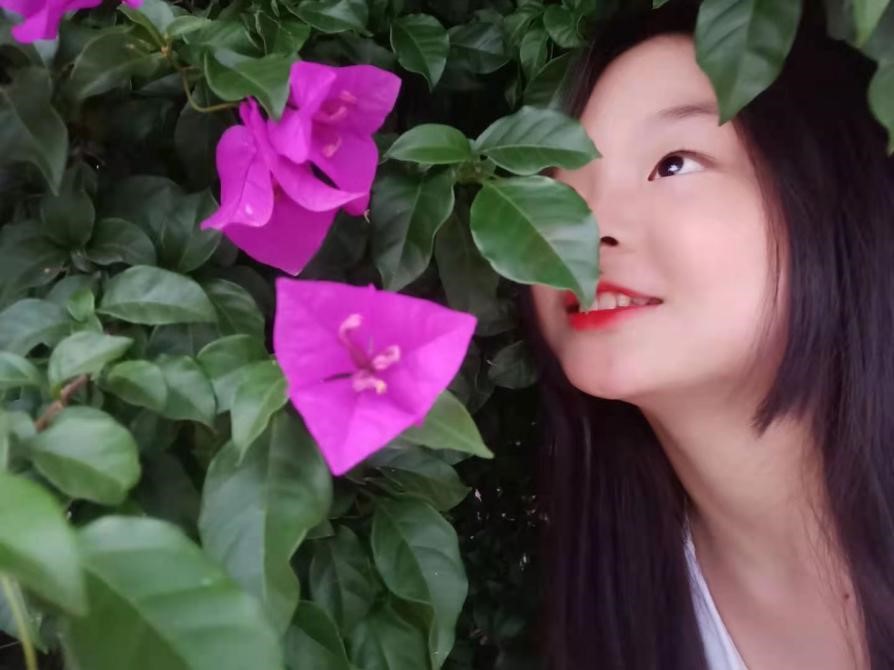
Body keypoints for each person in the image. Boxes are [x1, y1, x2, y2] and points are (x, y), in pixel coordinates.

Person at [519, 2, 894, 668]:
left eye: (672, 165)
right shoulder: (620, 617)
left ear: (826, 198)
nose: (583, 230)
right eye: (554, 190)